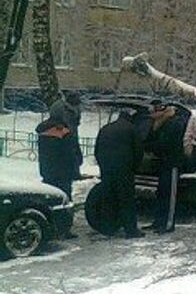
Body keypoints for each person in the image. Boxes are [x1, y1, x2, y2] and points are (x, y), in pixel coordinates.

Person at [94, 109, 145, 239]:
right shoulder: (132, 129)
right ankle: (131, 230)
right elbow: (138, 151)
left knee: (108, 198)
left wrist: (103, 166)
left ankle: (108, 228)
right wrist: (134, 168)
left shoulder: (105, 128)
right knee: (126, 200)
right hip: (124, 170)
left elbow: (97, 150)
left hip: (107, 169)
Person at [145, 103, 188, 233]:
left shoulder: (174, 123)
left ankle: (168, 224)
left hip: (172, 163)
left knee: (170, 196)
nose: (152, 116)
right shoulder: (162, 123)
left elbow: (166, 144)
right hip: (164, 163)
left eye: (154, 113)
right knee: (161, 193)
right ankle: (159, 221)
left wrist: (153, 147)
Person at [36, 115, 79, 201]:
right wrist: (75, 170)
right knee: (64, 200)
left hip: (47, 172)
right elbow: (71, 154)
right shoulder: (64, 133)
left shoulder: (43, 131)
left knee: (49, 198)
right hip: (64, 174)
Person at [48, 91, 84, 178]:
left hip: (72, 133)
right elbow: (56, 120)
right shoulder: (59, 106)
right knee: (66, 153)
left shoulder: (76, 106)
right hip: (61, 133)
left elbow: (76, 120)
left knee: (75, 154)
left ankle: (75, 172)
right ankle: (70, 173)